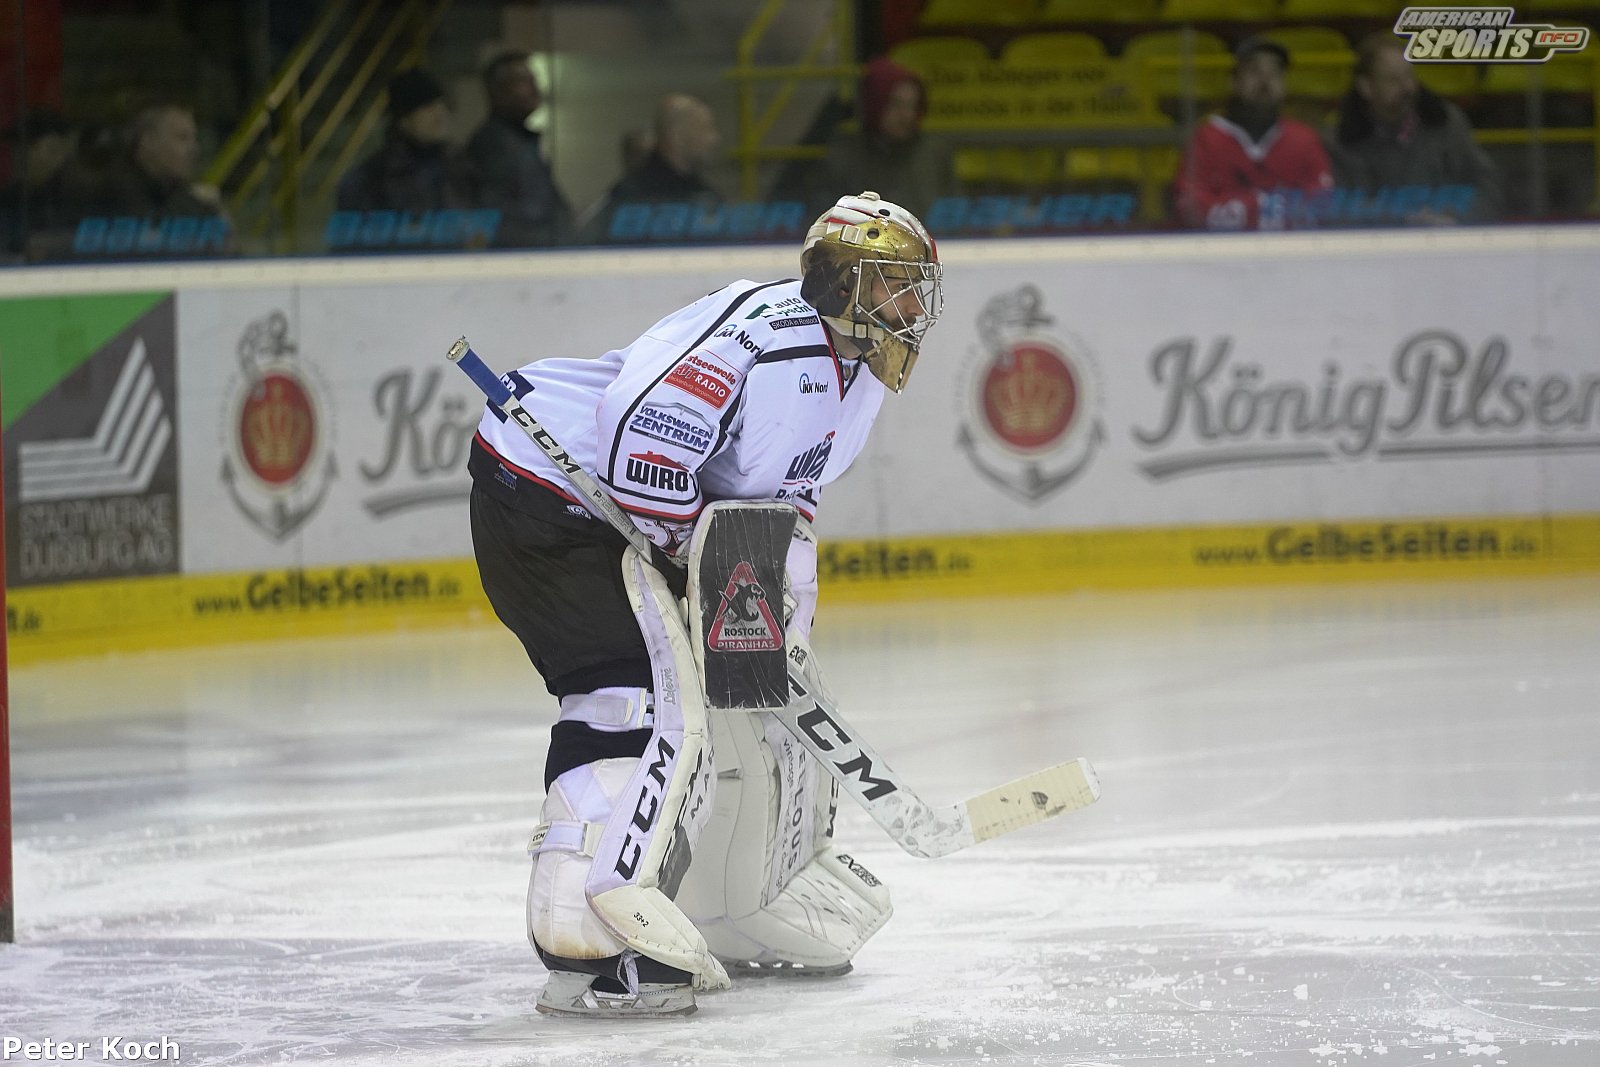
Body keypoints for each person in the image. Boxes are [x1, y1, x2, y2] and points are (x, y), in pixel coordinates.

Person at [466, 191, 941, 1016]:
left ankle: (734, 907)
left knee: (743, 706)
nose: (909, 304)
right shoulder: (764, 338)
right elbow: (640, 445)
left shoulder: (856, 376)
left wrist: (780, 620)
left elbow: (786, 502)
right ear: (838, 282)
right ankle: (583, 935)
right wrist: (695, 557)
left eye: (914, 286)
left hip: (619, 514)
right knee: (631, 699)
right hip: (548, 495)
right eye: (890, 282)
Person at [1326, 34, 1501, 225]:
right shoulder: (1339, 140)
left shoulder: (1447, 122)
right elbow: (1338, 207)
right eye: (1393, 80)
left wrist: (1453, 218)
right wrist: (1404, 219)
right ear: (1365, 87)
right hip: (1378, 248)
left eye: (1409, 76)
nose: (1407, 87)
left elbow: (1486, 185)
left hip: (1449, 239)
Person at [1173, 37, 1334, 231]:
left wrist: (1241, 209)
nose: (1265, 81)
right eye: (1254, 72)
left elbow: (1322, 202)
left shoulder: (1304, 139)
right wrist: (1262, 208)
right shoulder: (1206, 139)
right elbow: (1191, 207)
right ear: (1234, 82)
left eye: (1275, 74)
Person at [807, 56, 956, 220]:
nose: (906, 115)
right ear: (876, 103)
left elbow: (955, 213)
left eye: (912, 106)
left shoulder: (934, 153)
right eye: (895, 104)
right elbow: (824, 219)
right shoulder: (844, 157)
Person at [463, 51, 572, 247]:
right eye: (523, 82)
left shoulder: (522, 143)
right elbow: (514, 219)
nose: (534, 89)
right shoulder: (494, 147)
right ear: (497, 91)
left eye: (533, 80)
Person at [580, 93, 721, 240]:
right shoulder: (629, 196)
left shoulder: (706, 194)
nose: (714, 139)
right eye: (704, 129)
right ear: (676, 135)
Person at [336, 68, 470, 215]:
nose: (440, 115)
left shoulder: (459, 161)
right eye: (428, 107)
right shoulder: (372, 179)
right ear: (404, 119)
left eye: (441, 105)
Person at [0, 109, 78, 261]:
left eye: (62, 151)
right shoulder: (7, 199)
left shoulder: (73, 195)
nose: (61, 159)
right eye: (53, 150)